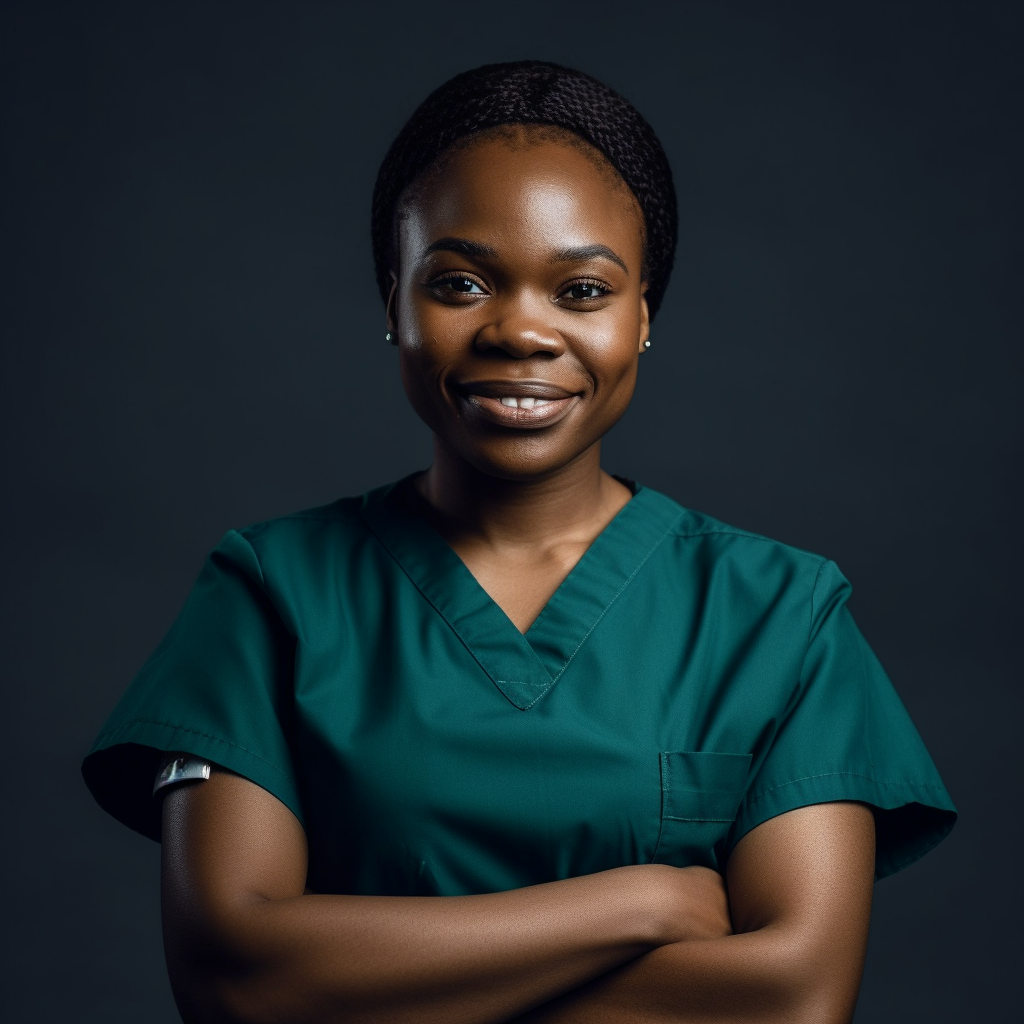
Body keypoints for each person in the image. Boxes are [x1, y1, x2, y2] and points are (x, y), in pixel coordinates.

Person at [82, 61, 956, 1024]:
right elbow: (237, 982)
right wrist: (641, 901)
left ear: (643, 317)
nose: (522, 331)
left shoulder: (783, 616)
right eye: (459, 282)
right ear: (392, 303)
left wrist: (376, 982)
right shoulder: (269, 593)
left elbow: (792, 997)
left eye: (582, 289)